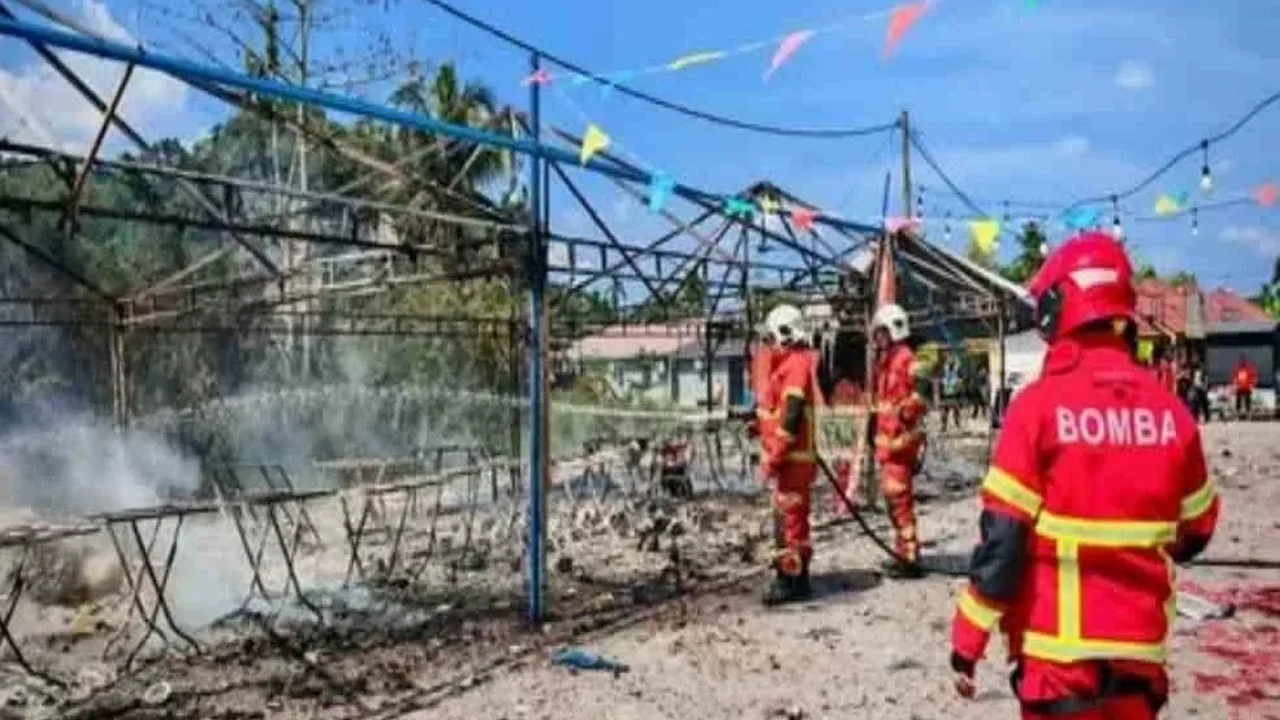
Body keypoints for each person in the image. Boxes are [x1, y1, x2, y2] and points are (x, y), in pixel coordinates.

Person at [948, 231, 1220, 720]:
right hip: (1140, 666)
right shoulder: (1172, 413)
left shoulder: (1035, 409)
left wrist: (967, 640)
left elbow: (1003, 542)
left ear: (1057, 306)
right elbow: (1196, 533)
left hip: (1059, 664)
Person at [756, 304, 820, 605]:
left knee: (790, 524)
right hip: (791, 461)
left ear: (784, 333)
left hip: (791, 460)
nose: (768, 344)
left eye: (771, 337)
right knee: (792, 521)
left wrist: (775, 454)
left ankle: (790, 583)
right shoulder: (788, 365)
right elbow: (779, 411)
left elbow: (791, 415)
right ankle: (798, 577)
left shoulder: (796, 364)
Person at [871, 302, 928, 577]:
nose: (877, 338)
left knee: (899, 500)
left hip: (900, 444)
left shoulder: (905, 358)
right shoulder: (887, 361)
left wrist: (906, 413)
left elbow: (923, 389)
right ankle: (903, 550)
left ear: (892, 330)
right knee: (894, 501)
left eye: (881, 332)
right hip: (890, 445)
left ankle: (909, 556)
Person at [1232, 353, 1258, 419]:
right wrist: (1235, 383)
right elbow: (1234, 376)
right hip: (1239, 387)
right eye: (1241, 360)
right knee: (1238, 401)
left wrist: (1252, 384)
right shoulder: (1237, 367)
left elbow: (1254, 376)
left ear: (1245, 360)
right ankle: (1237, 414)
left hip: (1247, 386)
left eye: (1243, 360)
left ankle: (1248, 414)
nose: (1242, 361)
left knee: (1248, 401)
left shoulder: (1249, 367)